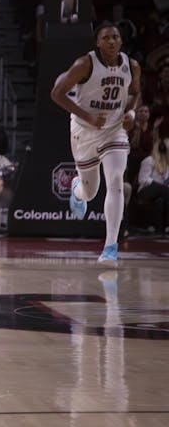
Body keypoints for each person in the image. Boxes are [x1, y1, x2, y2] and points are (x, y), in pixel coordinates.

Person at [51, 22, 141, 264]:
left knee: (116, 181)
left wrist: (131, 113)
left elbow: (134, 93)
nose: (111, 41)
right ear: (98, 42)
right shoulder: (84, 64)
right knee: (90, 193)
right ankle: (78, 189)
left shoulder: (131, 66)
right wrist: (88, 116)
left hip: (114, 130)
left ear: (121, 41)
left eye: (115, 37)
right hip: (84, 130)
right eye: (106, 37)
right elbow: (57, 93)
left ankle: (110, 246)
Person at [136, 134, 169, 234]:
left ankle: (165, 226)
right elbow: (142, 179)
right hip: (146, 190)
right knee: (164, 190)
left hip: (163, 192)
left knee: (165, 194)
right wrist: (159, 186)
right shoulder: (149, 160)